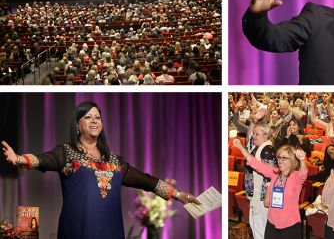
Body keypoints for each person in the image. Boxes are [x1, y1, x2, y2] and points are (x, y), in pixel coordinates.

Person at [1, 101, 200, 239]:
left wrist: (179, 195)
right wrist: (19, 158)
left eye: (98, 117)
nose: (95, 121)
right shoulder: (66, 153)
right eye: (88, 117)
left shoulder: (115, 161)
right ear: (78, 125)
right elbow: (43, 160)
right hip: (77, 231)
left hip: (111, 231)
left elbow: (147, 181)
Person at [234, 139, 307, 238]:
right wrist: (242, 149)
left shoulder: (295, 177)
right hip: (272, 222)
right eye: (279, 157)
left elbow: (303, 174)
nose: (280, 161)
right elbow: (257, 164)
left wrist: (302, 160)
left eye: (284, 158)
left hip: (290, 225)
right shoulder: (274, 173)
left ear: (293, 160)